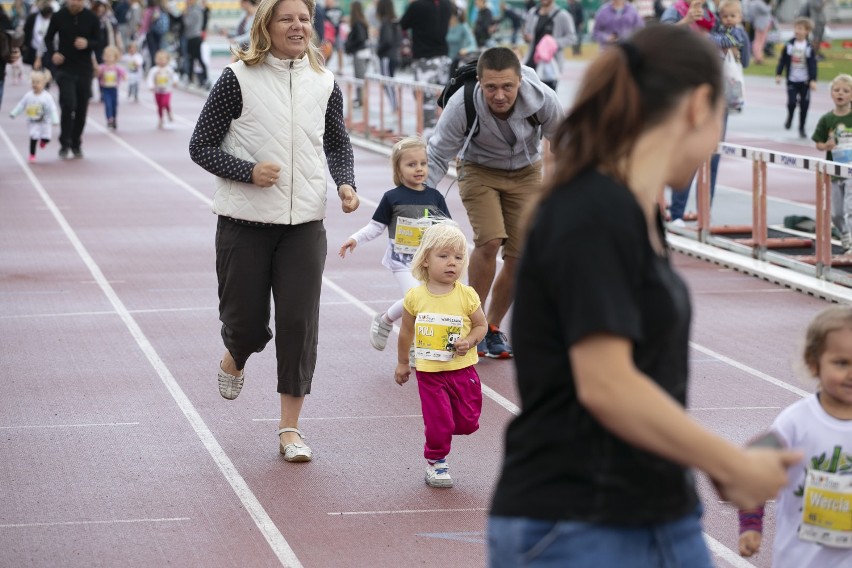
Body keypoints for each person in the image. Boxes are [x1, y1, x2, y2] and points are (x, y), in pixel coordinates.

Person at [487, 25, 802, 567]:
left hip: (652, 511)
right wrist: (728, 462)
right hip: (583, 521)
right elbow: (606, 385)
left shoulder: (635, 213)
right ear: (700, 104)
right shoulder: (592, 211)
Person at [189, 0, 359, 463]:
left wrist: (345, 182)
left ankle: (290, 429)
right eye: (287, 18)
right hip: (244, 223)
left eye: (304, 18)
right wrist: (247, 171)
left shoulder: (324, 82)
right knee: (245, 325)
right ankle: (236, 354)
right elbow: (199, 146)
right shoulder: (236, 79)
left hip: (304, 225)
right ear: (266, 26)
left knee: (299, 324)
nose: (298, 25)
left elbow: (336, 139)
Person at [426, 46, 564, 360]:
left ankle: (490, 327)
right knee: (489, 241)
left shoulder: (542, 99)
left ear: (520, 81)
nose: (499, 95)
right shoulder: (463, 102)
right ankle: (470, 322)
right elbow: (436, 153)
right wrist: (418, 197)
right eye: (491, 87)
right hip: (479, 170)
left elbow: (567, 140)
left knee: (520, 254)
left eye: (507, 87)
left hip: (526, 172)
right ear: (480, 81)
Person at [737, 305, 852, 566]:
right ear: (814, 363)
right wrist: (751, 525)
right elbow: (753, 470)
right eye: (841, 363)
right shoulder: (795, 422)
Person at [394, 221, 487, 488]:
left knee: (468, 422)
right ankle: (436, 462)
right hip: (430, 372)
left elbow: (481, 325)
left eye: (458, 257)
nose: (452, 263)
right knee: (439, 421)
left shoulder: (467, 295)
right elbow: (405, 332)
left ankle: (446, 432)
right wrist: (403, 363)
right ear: (425, 260)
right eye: (443, 256)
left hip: (462, 369)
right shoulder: (415, 297)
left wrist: (468, 341)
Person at [339, 137, 451, 355]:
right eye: (411, 164)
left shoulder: (435, 197)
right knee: (416, 298)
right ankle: (394, 329)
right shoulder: (392, 198)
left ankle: (394, 325)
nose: (419, 169)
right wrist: (355, 238)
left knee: (428, 303)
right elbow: (375, 227)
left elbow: (447, 228)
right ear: (398, 169)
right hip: (401, 263)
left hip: (427, 263)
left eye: (423, 163)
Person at [661, 0, 737, 225]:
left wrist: (730, 34)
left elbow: (735, 42)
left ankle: (705, 211)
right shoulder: (676, 10)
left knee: (713, 156)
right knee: (688, 152)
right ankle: (677, 213)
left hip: (717, 91)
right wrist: (686, 21)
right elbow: (662, 37)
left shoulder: (714, 12)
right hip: (688, 90)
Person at [44, 0, 100, 159]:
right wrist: (53, 53)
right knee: (68, 104)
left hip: (84, 69)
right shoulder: (58, 16)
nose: (75, 2)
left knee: (82, 108)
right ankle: (64, 142)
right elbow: (48, 38)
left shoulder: (92, 18)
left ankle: (76, 143)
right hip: (65, 68)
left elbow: (99, 42)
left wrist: (88, 43)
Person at [812, 74, 852, 253]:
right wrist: (825, 145)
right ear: (831, 94)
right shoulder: (827, 120)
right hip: (835, 172)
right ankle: (844, 233)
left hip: (851, 171)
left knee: (850, 209)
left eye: (845, 91)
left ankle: (851, 243)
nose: (840, 94)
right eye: (836, 90)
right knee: (836, 214)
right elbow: (818, 144)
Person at [399, 0, 454, 130]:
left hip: (425, 59)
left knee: (426, 100)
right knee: (444, 100)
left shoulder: (416, 6)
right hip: (443, 58)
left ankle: (429, 138)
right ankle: (445, 133)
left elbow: (403, 24)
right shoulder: (447, 4)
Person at [776, 16, 817, 139]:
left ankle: (802, 128)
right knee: (792, 102)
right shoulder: (789, 45)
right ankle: (790, 117)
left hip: (804, 81)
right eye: (796, 28)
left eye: (800, 29)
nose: (797, 31)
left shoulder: (809, 47)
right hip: (792, 80)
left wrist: (813, 80)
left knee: (804, 105)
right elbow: (782, 60)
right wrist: (779, 74)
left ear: (807, 31)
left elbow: (813, 64)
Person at [522, 0, 576, 91]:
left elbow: (572, 37)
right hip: (532, 62)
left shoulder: (562, 15)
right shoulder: (532, 13)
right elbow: (527, 32)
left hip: (550, 65)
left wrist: (554, 43)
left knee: (548, 99)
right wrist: (527, 37)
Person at [9, 69, 59, 162]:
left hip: (45, 122)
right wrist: (14, 113)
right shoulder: (28, 96)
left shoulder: (47, 97)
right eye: (33, 82)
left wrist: (55, 120)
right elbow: (21, 104)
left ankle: (43, 141)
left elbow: (53, 109)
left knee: (47, 138)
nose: (35, 84)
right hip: (33, 122)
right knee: (33, 137)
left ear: (43, 83)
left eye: (38, 82)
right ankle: (32, 154)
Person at [375, 0, 401, 110]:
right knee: (389, 81)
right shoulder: (394, 21)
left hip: (387, 57)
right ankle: (395, 106)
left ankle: (394, 107)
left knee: (387, 83)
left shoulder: (386, 22)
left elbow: (387, 40)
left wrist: (378, 50)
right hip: (394, 55)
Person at [344, 0, 369, 107]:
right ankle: (360, 99)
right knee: (360, 77)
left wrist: (349, 45)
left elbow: (360, 38)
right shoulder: (362, 21)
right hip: (364, 52)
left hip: (359, 53)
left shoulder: (357, 23)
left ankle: (361, 100)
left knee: (359, 78)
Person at [97, 45, 126, 129]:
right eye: (106, 56)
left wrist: (124, 77)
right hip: (105, 89)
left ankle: (114, 118)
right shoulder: (102, 67)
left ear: (115, 57)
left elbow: (123, 73)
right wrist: (97, 72)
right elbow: (97, 73)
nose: (108, 58)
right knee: (108, 104)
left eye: (110, 56)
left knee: (114, 105)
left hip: (114, 89)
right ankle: (109, 119)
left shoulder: (116, 67)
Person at [146, 49, 176, 128]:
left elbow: (174, 77)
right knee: (159, 106)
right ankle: (161, 119)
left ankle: (169, 112)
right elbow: (150, 78)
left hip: (167, 90)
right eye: (159, 59)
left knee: (164, 103)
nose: (161, 61)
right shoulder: (154, 70)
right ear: (156, 60)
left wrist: (175, 82)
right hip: (157, 91)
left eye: (163, 59)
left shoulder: (169, 70)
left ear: (167, 60)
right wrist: (151, 86)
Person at [183, 0, 209, 88]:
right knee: (195, 58)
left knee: (194, 58)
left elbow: (188, 23)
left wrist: (185, 14)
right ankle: (197, 78)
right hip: (193, 36)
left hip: (194, 37)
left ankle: (200, 79)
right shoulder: (194, 9)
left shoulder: (195, 11)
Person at [445, 7, 477, 75]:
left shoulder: (463, 26)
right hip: (446, 61)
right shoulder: (445, 27)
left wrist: (466, 50)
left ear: (453, 16)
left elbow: (473, 45)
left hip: (457, 62)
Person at [749, 0, 771, 65]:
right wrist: (770, 5)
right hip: (762, 25)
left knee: (758, 42)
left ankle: (758, 57)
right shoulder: (759, 2)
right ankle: (758, 58)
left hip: (758, 23)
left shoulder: (753, 3)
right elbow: (766, 10)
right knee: (759, 42)